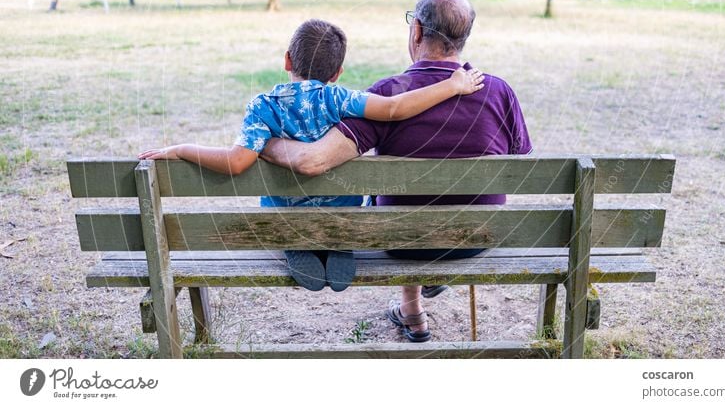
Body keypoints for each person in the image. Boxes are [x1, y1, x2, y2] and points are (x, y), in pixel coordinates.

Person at [261, 0, 532, 342]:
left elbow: (314, 160)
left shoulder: (388, 94)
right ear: (464, 39)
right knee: (430, 203)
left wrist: (262, 142)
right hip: (476, 236)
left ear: (416, 31)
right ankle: (416, 303)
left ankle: (413, 310)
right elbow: (517, 158)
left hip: (402, 240)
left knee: (399, 205)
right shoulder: (499, 91)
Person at [138, 18, 485, 293]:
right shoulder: (340, 99)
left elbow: (236, 162)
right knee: (340, 211)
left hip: (284, 220)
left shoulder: (263, 107)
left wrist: (179, 148)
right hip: (342, 217)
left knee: (285, 217)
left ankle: (295, 242)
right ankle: (337, 241)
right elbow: (394, 108)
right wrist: (452, 85)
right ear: (337, 74)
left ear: (288, 60)